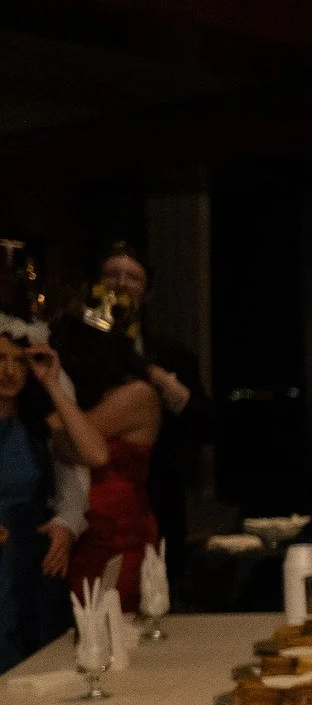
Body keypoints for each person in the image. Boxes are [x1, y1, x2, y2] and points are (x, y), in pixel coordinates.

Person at [0, 314, 111, 666]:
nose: (9, 370)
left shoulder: (37, 426)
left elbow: (96, 454)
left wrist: (52, 385)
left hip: (29, 560)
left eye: (19, 360)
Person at [97, 243, 210, 579]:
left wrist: (177, 393)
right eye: (112, 275)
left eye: (132, 277)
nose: (121, 283)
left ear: (146, 292)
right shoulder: (74, 347)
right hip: (94, 501)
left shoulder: (173, 355)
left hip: (159, 501)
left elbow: (205, 425)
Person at [49, 322, 159, 613]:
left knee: (114, 616)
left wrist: (51, 407)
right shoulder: (87, 399)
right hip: (85, 528)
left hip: (118, 530)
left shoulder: (137, 394)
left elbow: (81, 446)